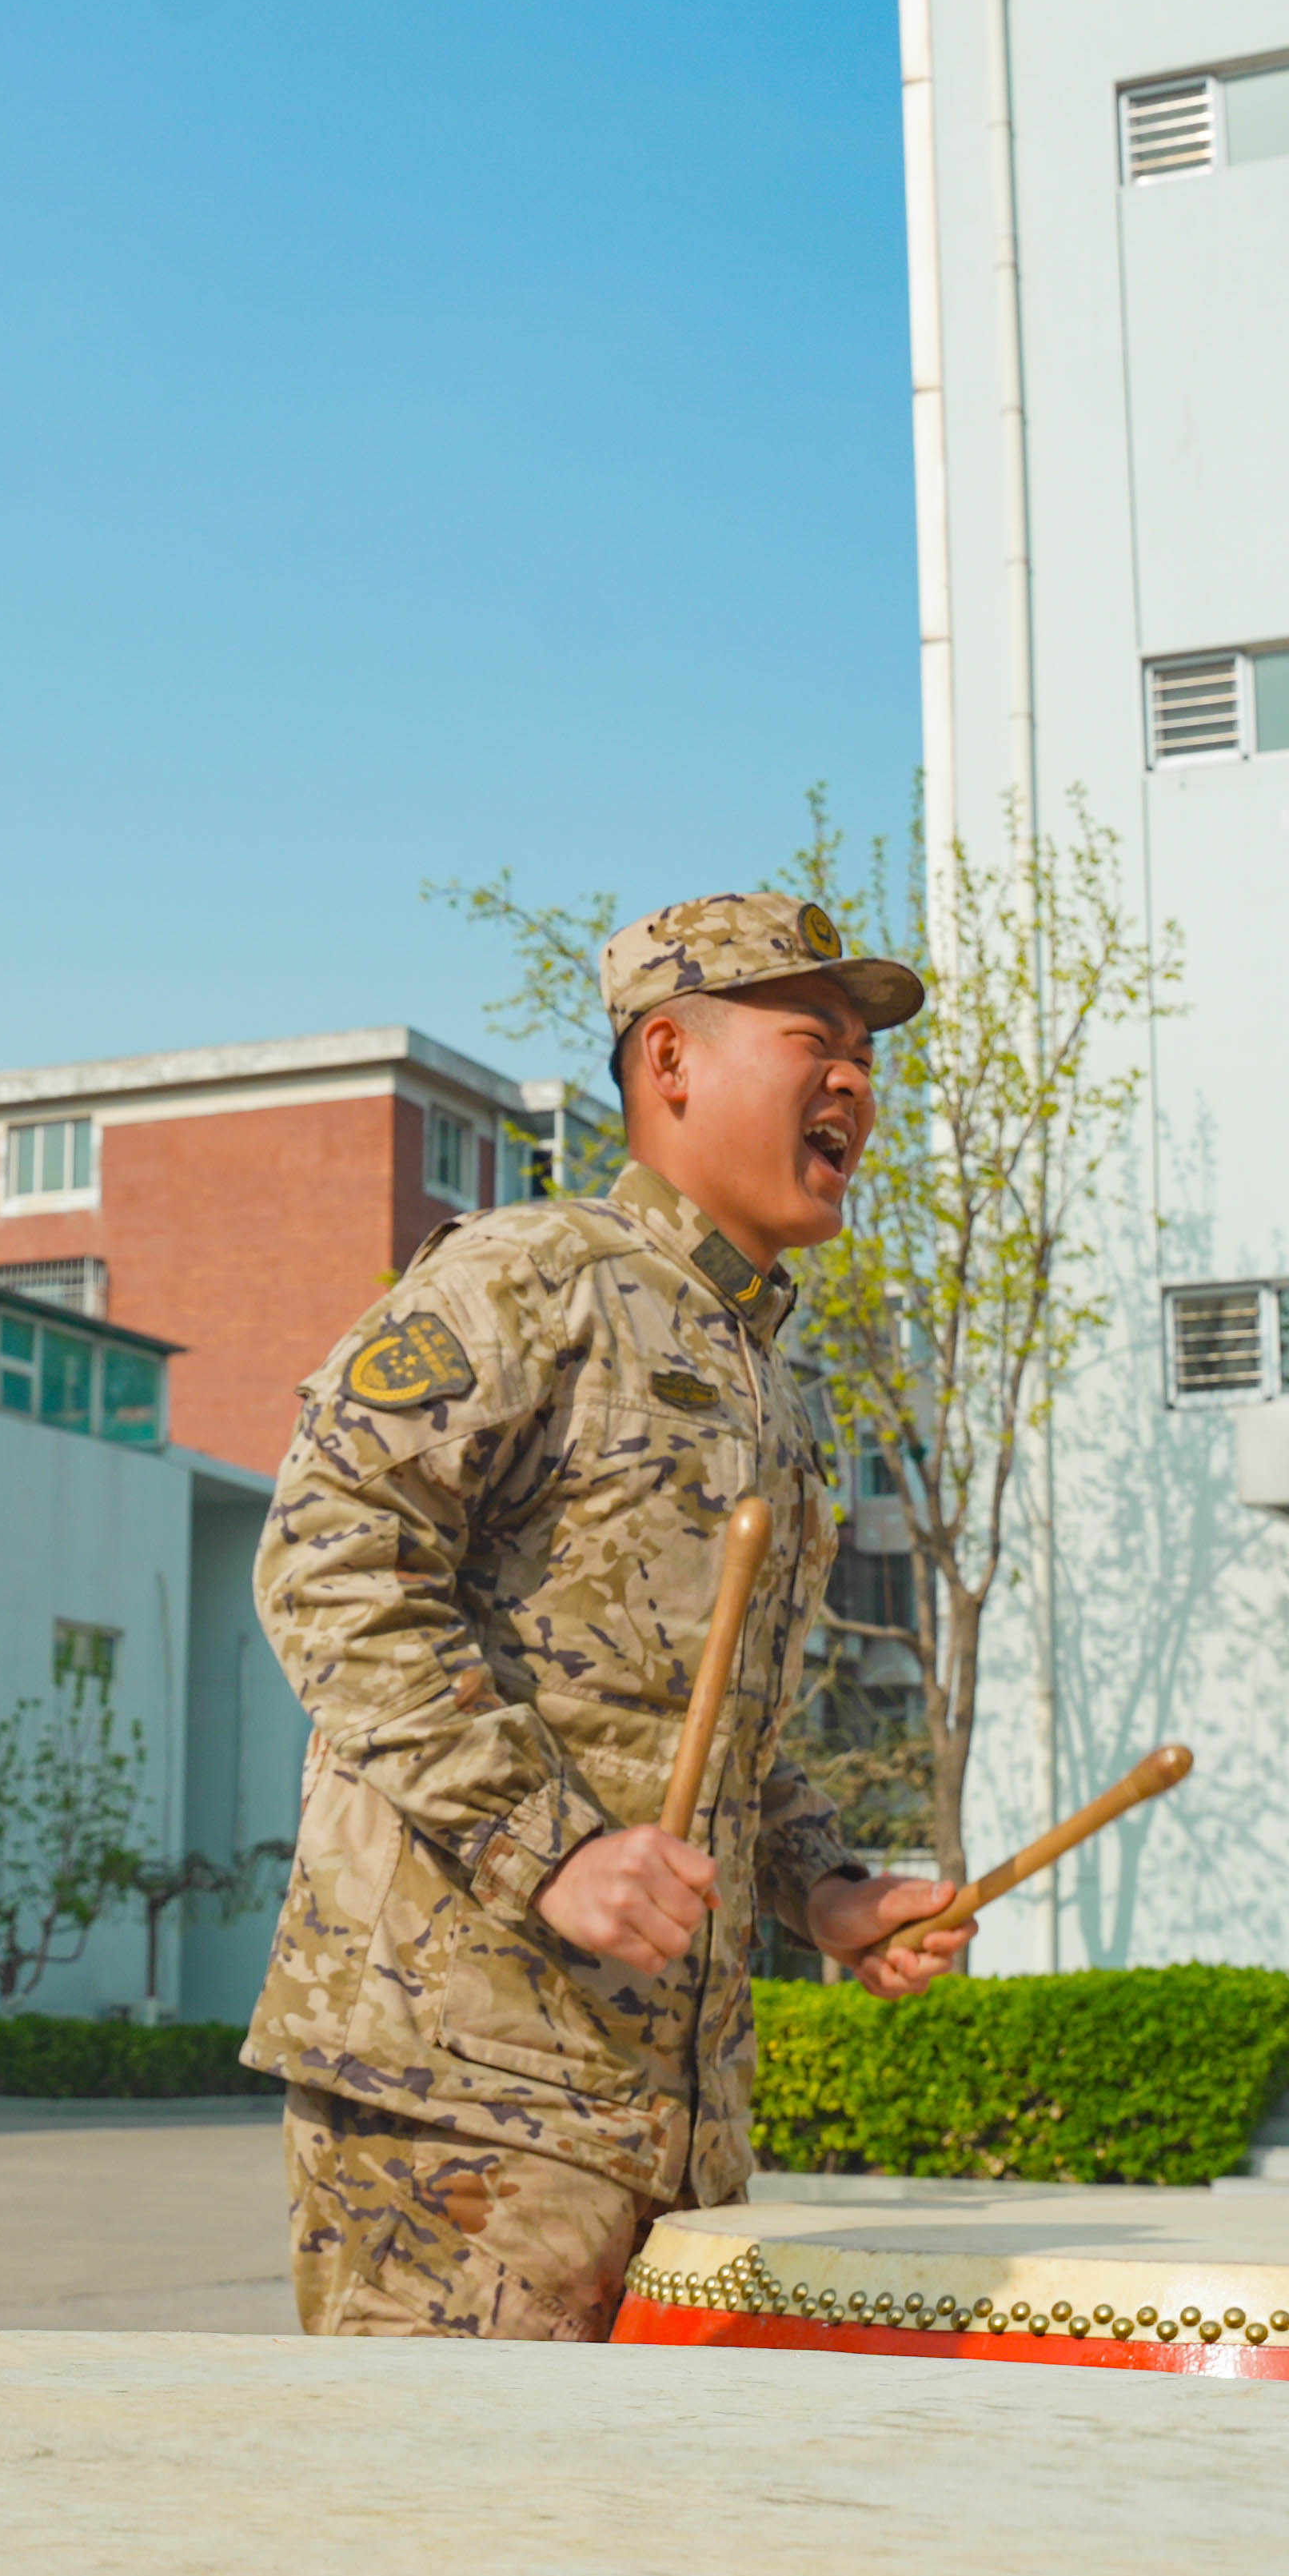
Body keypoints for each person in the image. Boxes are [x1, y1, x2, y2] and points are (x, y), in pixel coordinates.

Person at [240, 891, 974, 2336]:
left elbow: (715, 1729)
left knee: (625, 2557)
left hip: (678, 2125)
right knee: (458, 2541)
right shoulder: (530, 1281)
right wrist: (555, 1847)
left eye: (868, 1061)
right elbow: (329, 1554)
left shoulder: (778, 1383)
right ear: (670, 1061)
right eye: (812, 1041)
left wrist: (820, 1886)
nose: (855, 1084)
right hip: (467, 2097)